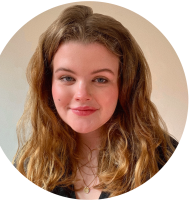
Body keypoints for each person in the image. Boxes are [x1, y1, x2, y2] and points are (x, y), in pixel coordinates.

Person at [13, 5, 178, 199]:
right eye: (67, 78)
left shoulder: (166, 160)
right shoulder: (30, 163)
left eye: (101, 79)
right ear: (47, 84)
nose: (82, 94)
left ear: (125, 86)